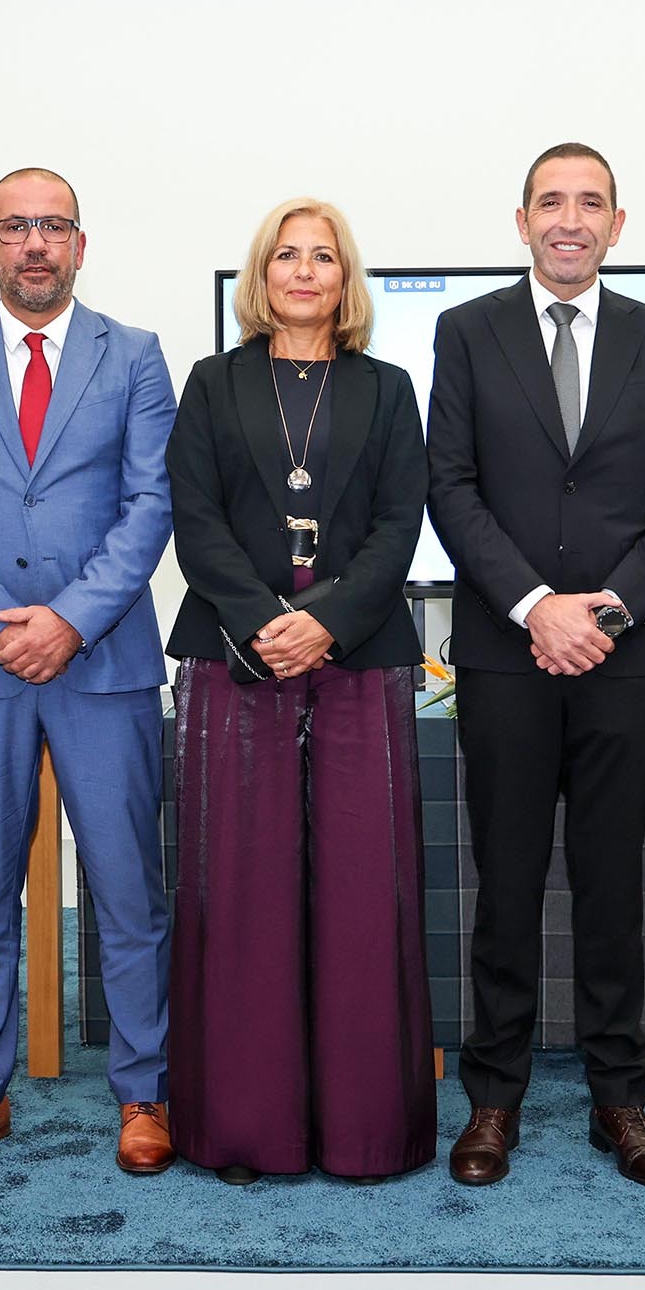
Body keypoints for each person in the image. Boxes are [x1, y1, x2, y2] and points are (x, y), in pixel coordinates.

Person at [425, 142, 645, 1188]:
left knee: (607, 888)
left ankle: (617, 1101)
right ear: (520, 219)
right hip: (506, 654)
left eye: (590, 203)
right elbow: (449, 486)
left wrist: (613, 605)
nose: (569, 219)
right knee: (504, 886)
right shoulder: (466, 333)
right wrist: (537, 607)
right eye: (551, 201)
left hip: (622, 654)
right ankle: (492, 1101)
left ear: (617, 225)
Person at [0, 168, 178, 1177]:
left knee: (127, 889)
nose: (36, 244)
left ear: (81, 244)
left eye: (53, 226)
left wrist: (69, 620)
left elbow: (150, 504)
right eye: (16, 227)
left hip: (102, 663)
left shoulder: (135, 356)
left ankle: (144, 1094)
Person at [163, 198, 435, 1184]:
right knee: (242, 892)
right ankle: (247, 1130)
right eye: (288, 255)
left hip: (358, 657)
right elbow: (194, 518)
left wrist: (329, 619)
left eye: (324, 257)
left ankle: (367, 1134)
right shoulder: (213, 382)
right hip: (238, 659)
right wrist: (267, 619)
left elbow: (402, 521)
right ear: (260, 273)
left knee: (365, 893)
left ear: (346, 278)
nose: (306, 271)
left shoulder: (389, 388)